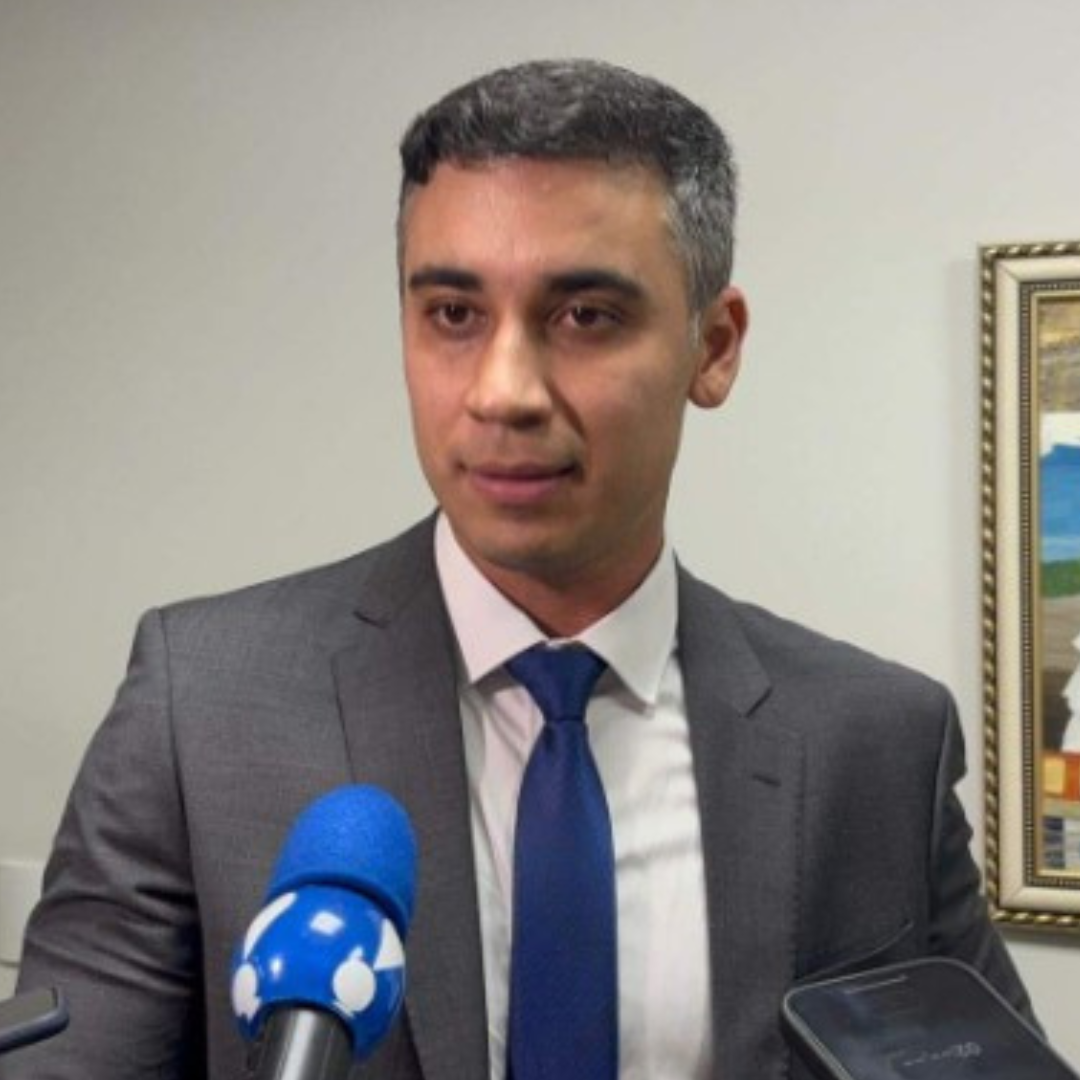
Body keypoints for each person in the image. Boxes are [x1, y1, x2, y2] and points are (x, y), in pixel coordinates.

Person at [4, 59, 1033, 1080]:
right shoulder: (201, 707)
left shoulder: (875, 743)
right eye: (454, 314)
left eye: (585, 316)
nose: (503, 393)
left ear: (713, 347)